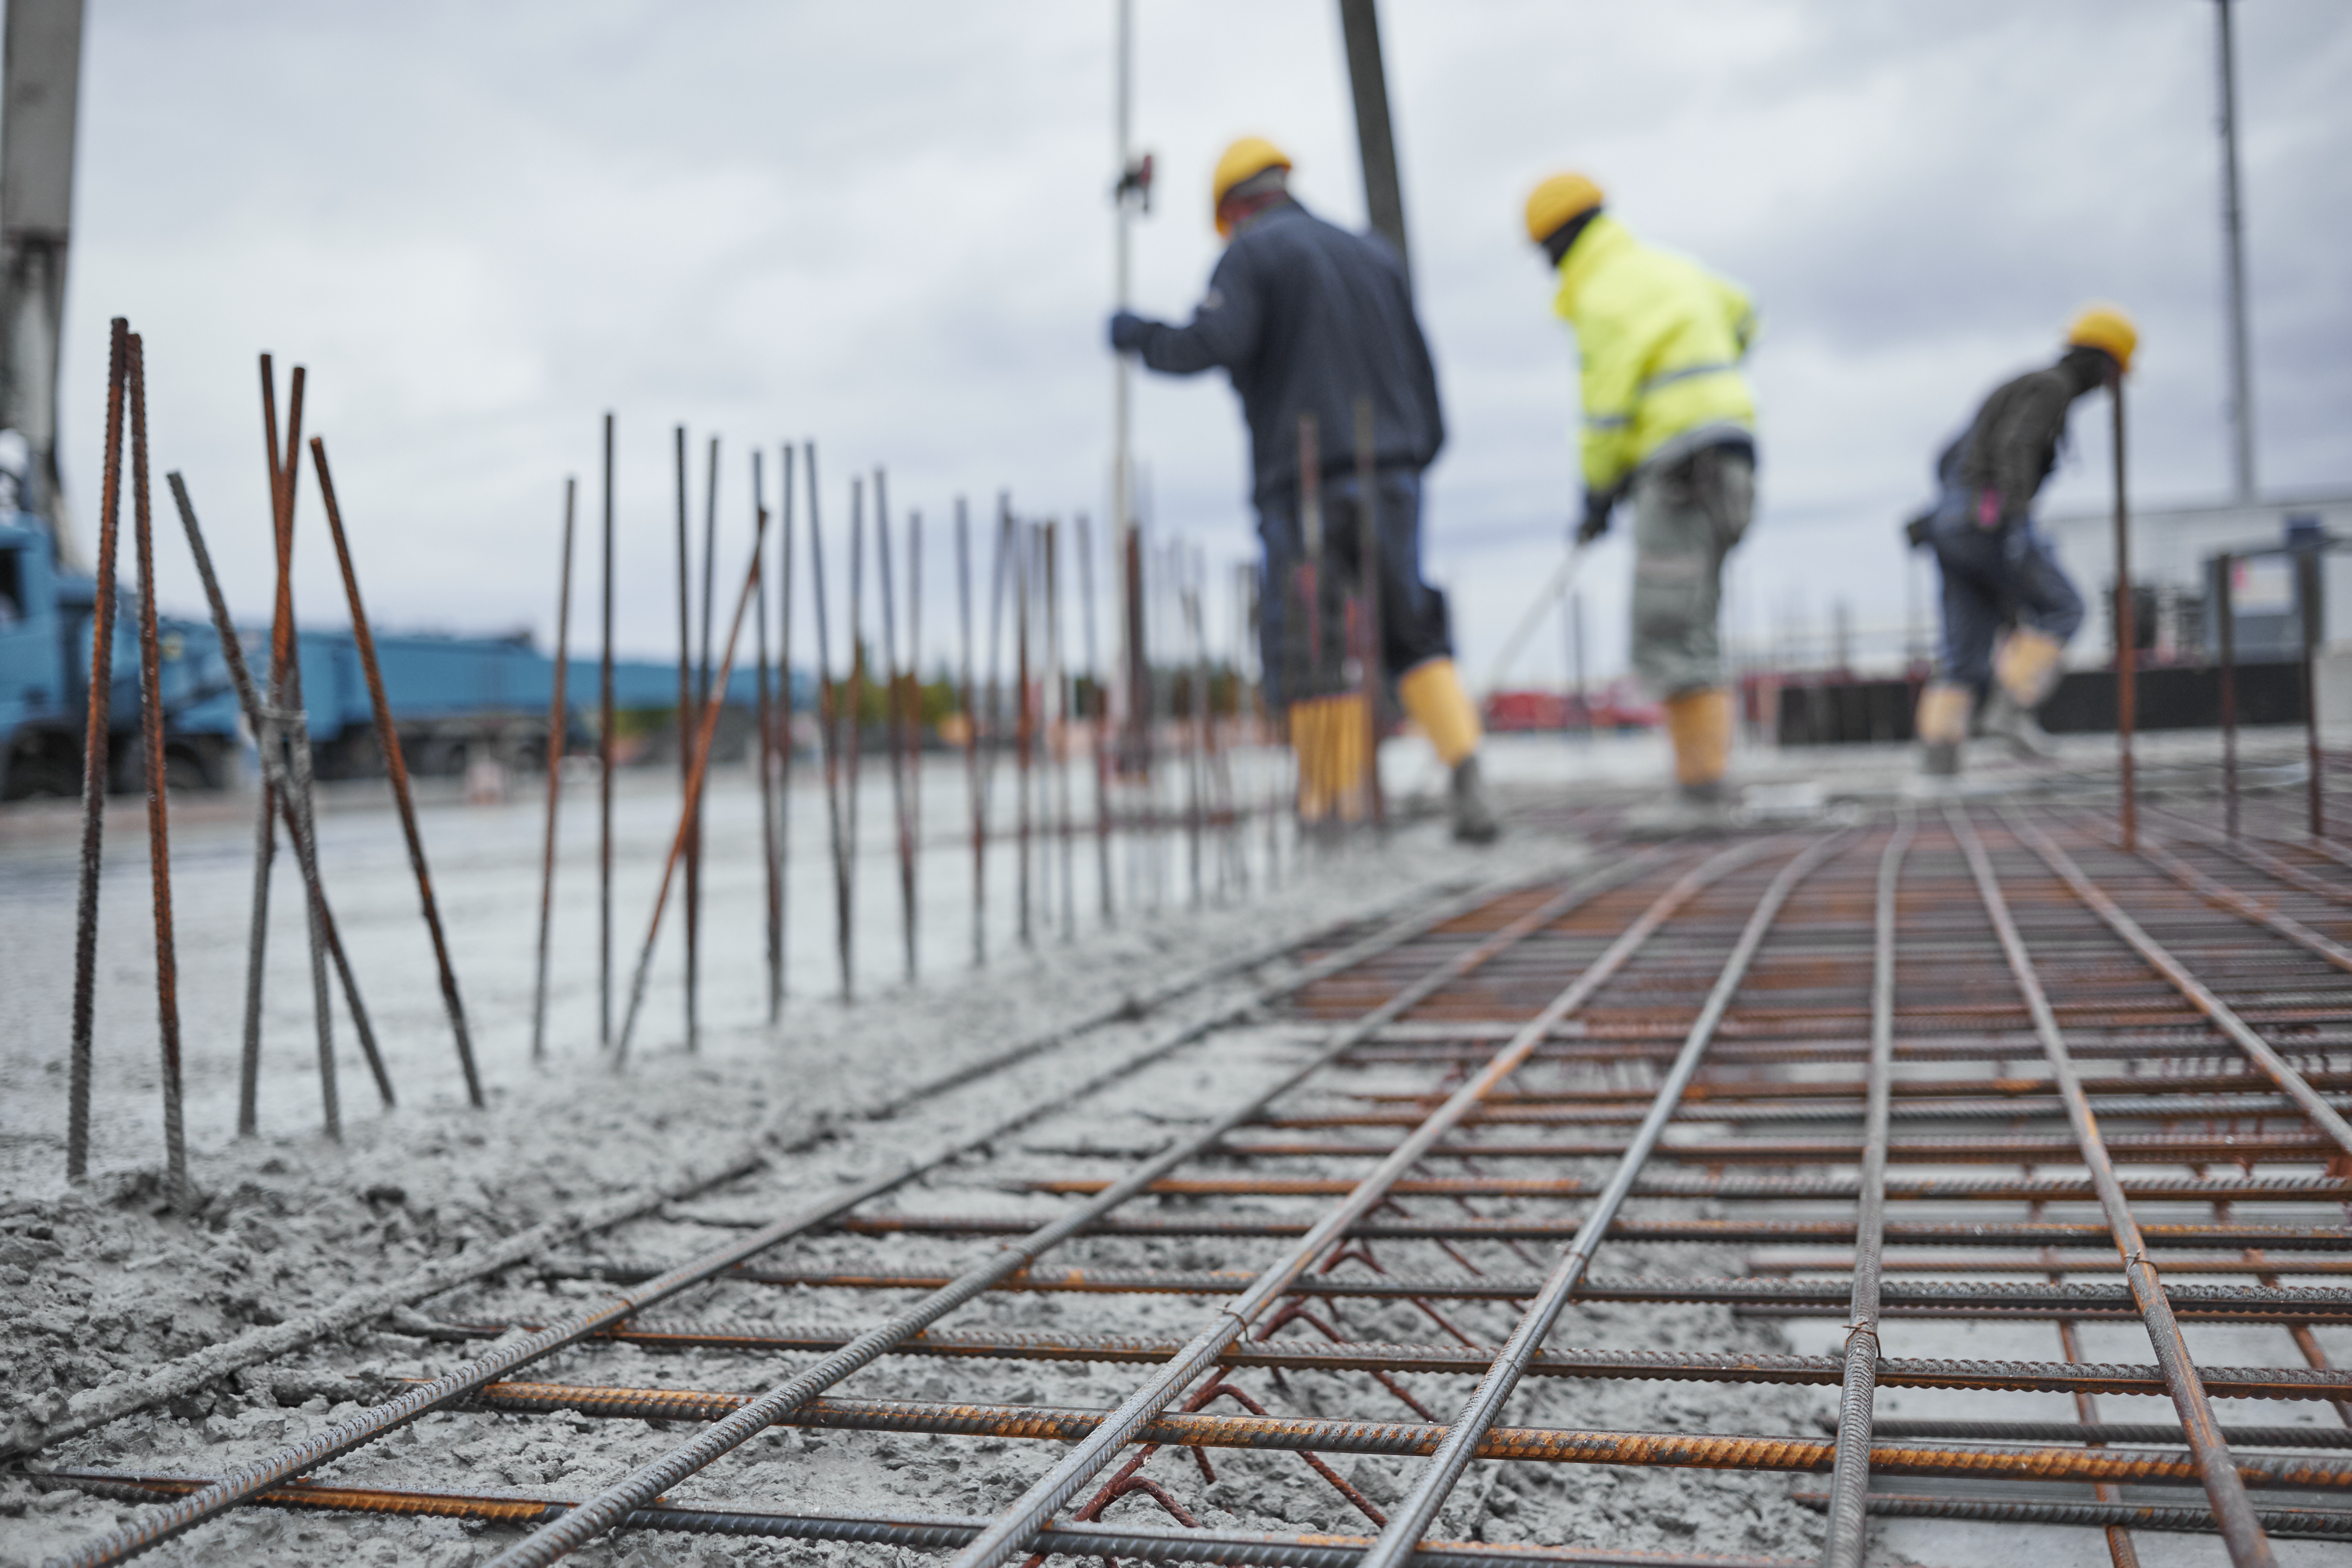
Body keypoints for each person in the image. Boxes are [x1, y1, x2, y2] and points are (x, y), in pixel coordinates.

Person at [1108, 136, 1498, 843]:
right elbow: (1421, 366)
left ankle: (1329, 803)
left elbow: (1214, 342)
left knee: (1310, 637)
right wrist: (1414, 453)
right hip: (1394, 470)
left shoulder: (1252, 253)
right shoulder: (1372, 253)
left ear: (1230, 209)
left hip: (1305, 478)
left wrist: (1137, 336)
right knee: (1410, 627)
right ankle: (1466, 774)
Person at [1523, 173, 1758, 827]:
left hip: (1680, 468)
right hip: (1733, 456)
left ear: (1557, 240)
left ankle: (1701, 788)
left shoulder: (1600, 293)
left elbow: (1603, 412)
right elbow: (1744, 313)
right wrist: (1710, 387)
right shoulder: (1669, 267)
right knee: (1696, 616)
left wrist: (1596, 492)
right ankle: (1705, 779)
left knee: (1665, 623)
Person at [1910, 305, 2134, 776]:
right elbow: (2017, 444)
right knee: (2064, 607)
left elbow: (1947, 456)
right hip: (1988, 521)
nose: (2110, 389)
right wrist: (2012, 518)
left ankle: (1939, 759)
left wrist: (1958, 507)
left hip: (1950, 525)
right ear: (2102, 362)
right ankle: (2010, 709)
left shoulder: (2024, 384)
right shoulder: (2051, 388)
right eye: (2114, 375)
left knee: (1963, 650)